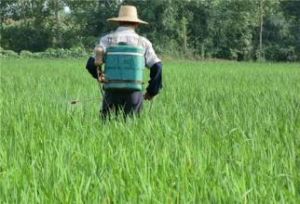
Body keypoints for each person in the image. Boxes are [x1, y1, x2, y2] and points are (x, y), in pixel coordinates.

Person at [86, 5, 162, 118]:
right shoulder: (143, 42)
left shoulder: (107, 40)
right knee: (134, 128)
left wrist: (100, 76)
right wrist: (151, 92)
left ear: (119, 22)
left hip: (111, 92)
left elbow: (91, 64)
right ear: (136, 24)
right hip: (134, 93)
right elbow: (157, 67)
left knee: (107, 128)